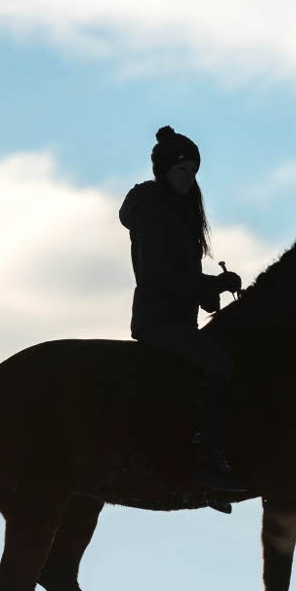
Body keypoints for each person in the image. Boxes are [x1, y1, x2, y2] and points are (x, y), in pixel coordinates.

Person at [119, 125, 247, 496]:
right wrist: (208, 286)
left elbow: (180, 275)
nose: (189, 179)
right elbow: (156, 274)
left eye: (193, 171)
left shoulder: (176, 212)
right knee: (218, 364)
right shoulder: (154, 212)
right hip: (158, 321)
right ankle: (206, 460)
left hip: (177, 318)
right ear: (164, 171)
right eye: (182, 170)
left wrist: (210, 287)